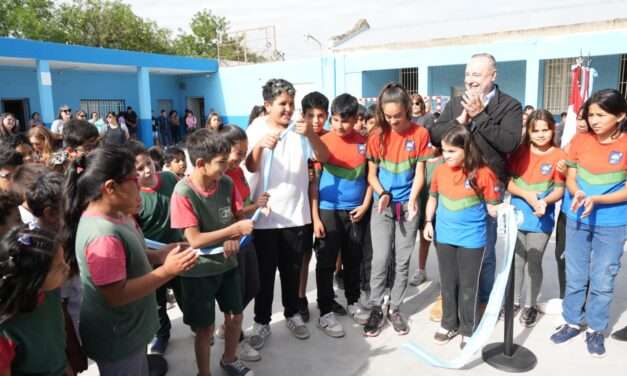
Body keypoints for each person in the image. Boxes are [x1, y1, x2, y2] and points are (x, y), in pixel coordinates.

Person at [63, 144, 197, 375]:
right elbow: (116, 295)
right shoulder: (102, 236)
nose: (142, 184)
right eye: (134, 180)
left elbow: (131, 250)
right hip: (117, 337)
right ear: (111, 188)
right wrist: (166, 271)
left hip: (130, 329)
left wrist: (159, 254)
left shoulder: (119, 213)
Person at [429, 53, 522, 309]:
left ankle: (483, 301)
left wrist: (480, 116)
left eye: (477, 75)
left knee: (485, 249)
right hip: (454, 186)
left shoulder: (509, 106)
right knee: (451, 246)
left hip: (487, 186)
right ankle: (452, 298)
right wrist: (460, 120)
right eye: (468, 74)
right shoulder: (455, 103)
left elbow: (509, 142)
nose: (470, 81)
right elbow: (436, 136)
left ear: (493, 76)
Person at [244, 79, 329, 348]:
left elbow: (323, 157)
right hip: (265, 218)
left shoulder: (300, 131)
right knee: (265, 275)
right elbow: (249, 165)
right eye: (282, 104)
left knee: (292, 271)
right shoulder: (256, 129)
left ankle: (293, 314)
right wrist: (259, 146)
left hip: (296, 216)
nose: (288, 109)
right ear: (268, 105)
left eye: (291, 104)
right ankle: (262, 322)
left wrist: (311, 135)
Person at [170, 129, 255, 376]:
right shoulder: (183, 193)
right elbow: (194, 240)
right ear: (200, 163)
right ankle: (204, 373)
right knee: (204, 329)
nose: (226, 167)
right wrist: (232, 230)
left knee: (235, 316)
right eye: (220, 163)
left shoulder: (226, 183)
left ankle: (229, 359)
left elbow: (239, 219)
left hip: (227, 265)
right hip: (198, 271)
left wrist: (236, 235)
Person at [550, 89, 627, 357]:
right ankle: (572, 321)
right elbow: (570, 175)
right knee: (575, 272)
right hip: (577, 217)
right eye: (590, 114)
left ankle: (595, 328)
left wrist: (598, 199)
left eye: (601, 115)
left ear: (620, 116)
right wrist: (578, 191)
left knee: (603, 276)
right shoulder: (580, 141)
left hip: (612, 222)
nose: (593, 120)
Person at [363, 82, 431, 337]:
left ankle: (395, 307)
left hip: (407, 207)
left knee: (402, 261)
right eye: (388, 116)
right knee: (380, 259)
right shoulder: (376, 135)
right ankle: (375, 307)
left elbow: (420, 173)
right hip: (383, 205)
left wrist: (413, 200)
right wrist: (382, 194)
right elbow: (371, 174)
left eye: (398, 116)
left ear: (408, 111)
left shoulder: (420, 134)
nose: (393, 121)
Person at [424, 125, 500, 347]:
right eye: (444, 150)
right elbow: (432, 198)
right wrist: (428, 222)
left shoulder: (484, 173)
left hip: (472, 239)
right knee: (448, 282)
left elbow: (493, 207)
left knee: (469, 285)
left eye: (451, 151)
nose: (446, 156)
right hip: (445, 236)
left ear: (466, 149)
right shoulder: (439, 171)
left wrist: (501, 211)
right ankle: (449, 324)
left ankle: (468, 327)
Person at [313, 93, 372, 337]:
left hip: (355, 211)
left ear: (356, 118)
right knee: (326, 261)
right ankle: (325, 311)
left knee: (353, 258)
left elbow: (371, 178)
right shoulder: (323, 141)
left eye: (344, 121)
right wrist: (316, 217)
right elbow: (314, 181)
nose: (339, 126)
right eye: (335, 120)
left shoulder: (365, 143)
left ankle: (353, 300)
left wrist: (365, 205)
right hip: (328, 209)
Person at [505, 109, 565, 327]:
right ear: (528, 131)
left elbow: (560, 189)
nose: (541, 134)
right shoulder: (518, 152)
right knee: (516, 260)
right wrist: (527, 196)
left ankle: (529, 305)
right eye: (535, 130)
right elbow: (509, 183)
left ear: (553, 129)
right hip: (517, 214)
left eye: (545, 129)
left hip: (541, 219)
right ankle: (512, 301)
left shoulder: (559, 156)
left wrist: (544, 202)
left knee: (534, 260)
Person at [218, 124, 270, 361]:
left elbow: (243, 206)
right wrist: (255, 206)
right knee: (235, 295)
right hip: (231, 243)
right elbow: (231, 212)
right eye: (238, 153)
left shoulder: (237, 172)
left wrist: (253, 207)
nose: (241, 159)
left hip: (247, 239)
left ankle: (229, 326)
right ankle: (236, 339)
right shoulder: (218, 178)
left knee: (252, 286)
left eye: (244, 152)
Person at [128, 142, 183, 356]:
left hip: (178, 251)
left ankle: (198, 325)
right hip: (152, 258)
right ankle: (162, 335)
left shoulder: (169, 178)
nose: (147, 170)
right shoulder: (134, 197)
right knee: (157, 301)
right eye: (139, 169)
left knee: (187, 294)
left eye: (148, 164)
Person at [0, 225, 71, 376]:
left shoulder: (50, 291)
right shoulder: (6, 328)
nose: (67, 268)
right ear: (34, 278)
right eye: (59, 267)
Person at [297, 91, 331, 322]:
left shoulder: (330, 139)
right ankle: (300, 297)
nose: (316, 121)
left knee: (327, 255)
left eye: (320, 115)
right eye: (311, 115)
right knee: (304, 255)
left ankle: (327, 298)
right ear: (303, 115)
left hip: (326, 206)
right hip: (302, 207)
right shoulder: (297, 139)